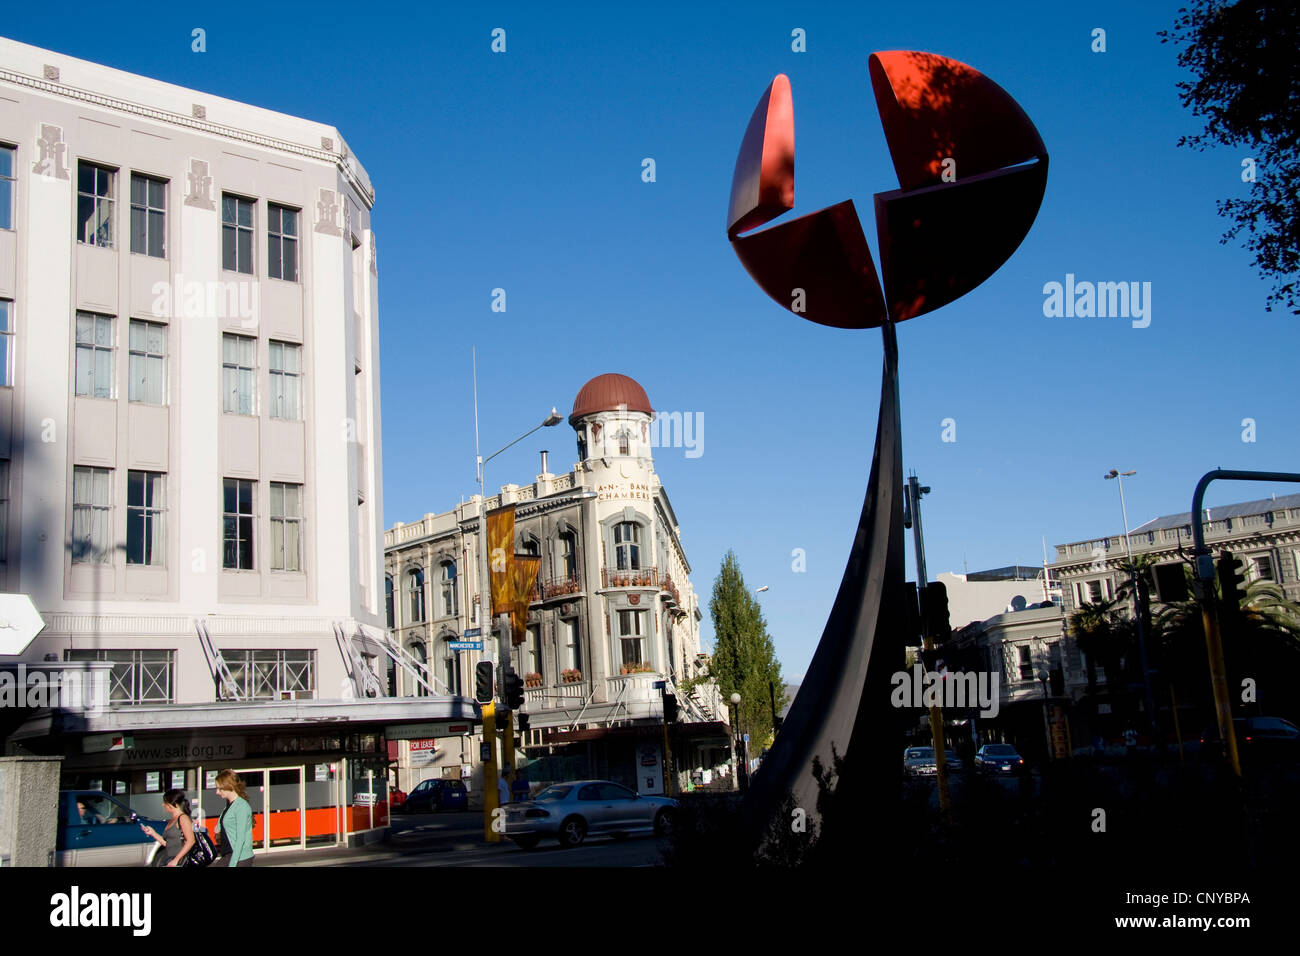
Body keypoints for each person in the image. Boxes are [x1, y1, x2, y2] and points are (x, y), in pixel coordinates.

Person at [141, 789, 196, 867]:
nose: (163, 805)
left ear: (174, 804)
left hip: (180, 862)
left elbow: (191, 841)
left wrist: (176, 860)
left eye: (165, 803)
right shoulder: (173, 819)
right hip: (170, 859)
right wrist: (153, 833)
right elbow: (168, 844)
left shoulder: (183, 818)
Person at [212, 770, 255, 867]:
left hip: (240, 857)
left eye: (219, 789)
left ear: (229, 787)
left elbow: (241, 838)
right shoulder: (229, 805)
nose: (217, 792)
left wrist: (232, 864)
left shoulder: (241, 806)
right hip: (229, 854)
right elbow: (220, 825)